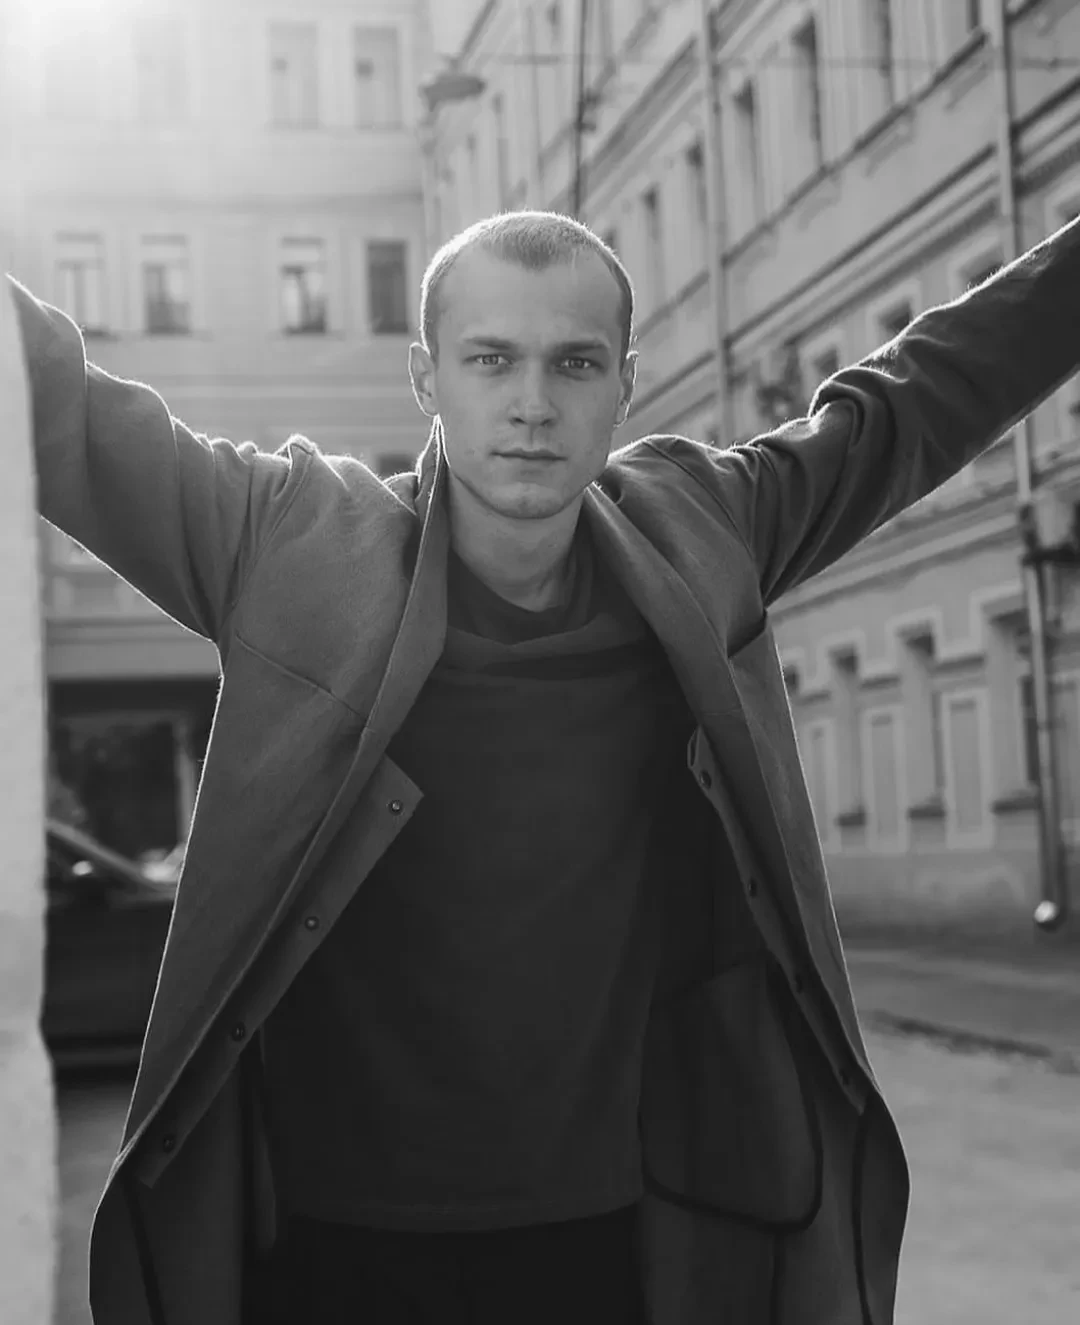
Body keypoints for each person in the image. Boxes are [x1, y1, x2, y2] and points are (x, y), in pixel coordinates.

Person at [8, 207, 1080, 1325]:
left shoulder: (699, 532)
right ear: (426, 378)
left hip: (612, 1233)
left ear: (625, 384)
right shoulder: (290, 544)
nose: (532, 403)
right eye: (490, 360)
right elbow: (64, 408)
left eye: (574, 363)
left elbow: (914, 400)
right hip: (333, 1243)